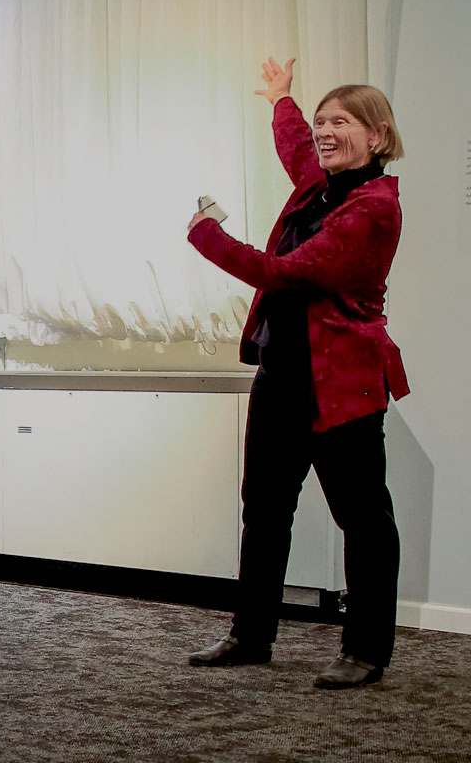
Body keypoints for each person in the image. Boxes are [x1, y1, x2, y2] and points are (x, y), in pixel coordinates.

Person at [185, 57, 408, 690]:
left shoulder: (372, 209)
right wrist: (282, 99)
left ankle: (366, 651)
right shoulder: (319, 186)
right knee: (265, 512)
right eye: (322, 123)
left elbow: (286, 273)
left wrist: (208, 237)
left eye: (342, 122)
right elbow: (295, 149)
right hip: (281, 378)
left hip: (341, 387)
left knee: (363, 521)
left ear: (378, 136)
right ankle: (251, 637)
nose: (325, 132)